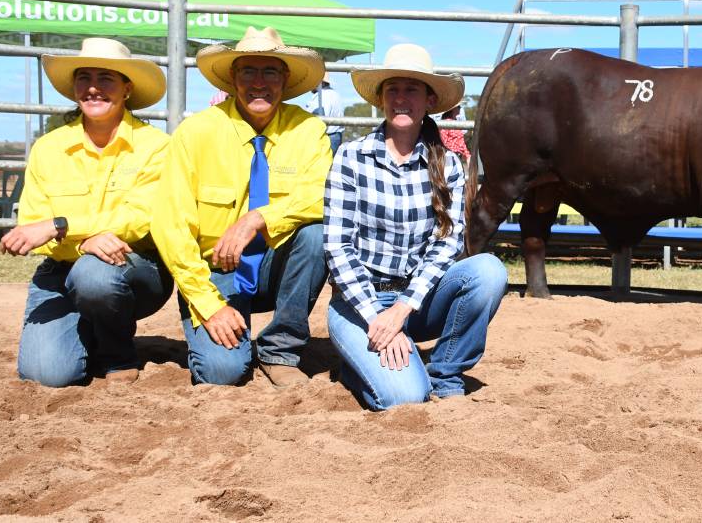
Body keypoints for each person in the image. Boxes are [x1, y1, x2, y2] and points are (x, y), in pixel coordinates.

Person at [325, 43, 507, 410]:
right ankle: (365, 364)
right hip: (362, 300)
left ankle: (446, 372)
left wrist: (402, 309)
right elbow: (337, 248)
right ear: (381, 99)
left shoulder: (449, 165)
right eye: (393, 89)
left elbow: (448, 243)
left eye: (412, 89)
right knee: (404, 397)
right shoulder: (350, 157)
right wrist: (378, 317)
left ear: (428, 99)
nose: (401, 98)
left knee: (488, 271)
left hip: (416, 301)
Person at [152, 27, 332, 387]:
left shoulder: (308, 130)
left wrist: (258, 218)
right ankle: (224, 333)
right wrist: (208, 303)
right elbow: (170, 225)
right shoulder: (196, 132)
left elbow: (323, 194)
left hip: (278, 267)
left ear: (285, 79)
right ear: (233, 79)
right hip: (216, 271)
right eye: (248, 71)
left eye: (270, 72)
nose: (259, 82)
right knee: (223, 373)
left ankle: (280, 348)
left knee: (316, 235)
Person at [3, 38, 172, 386]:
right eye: (84, 77)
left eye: (106, 78)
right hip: (61, 269)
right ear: (74, 88)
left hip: (135, 266)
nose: (93, 87)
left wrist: (62, 225)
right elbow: (33, 226)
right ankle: (90, 331)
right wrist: (83, 243)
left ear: (127, 89)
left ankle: (117, 355)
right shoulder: (48, 148)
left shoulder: (156, 146)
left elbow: (142, 218)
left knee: (95, 274)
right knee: (48, 374)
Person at [310, 80, 345, 155]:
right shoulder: (335, 94)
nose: (310, 86)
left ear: (320, 83)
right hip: (337, 136)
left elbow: (318, 118)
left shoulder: (321, 95)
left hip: (326, 137)